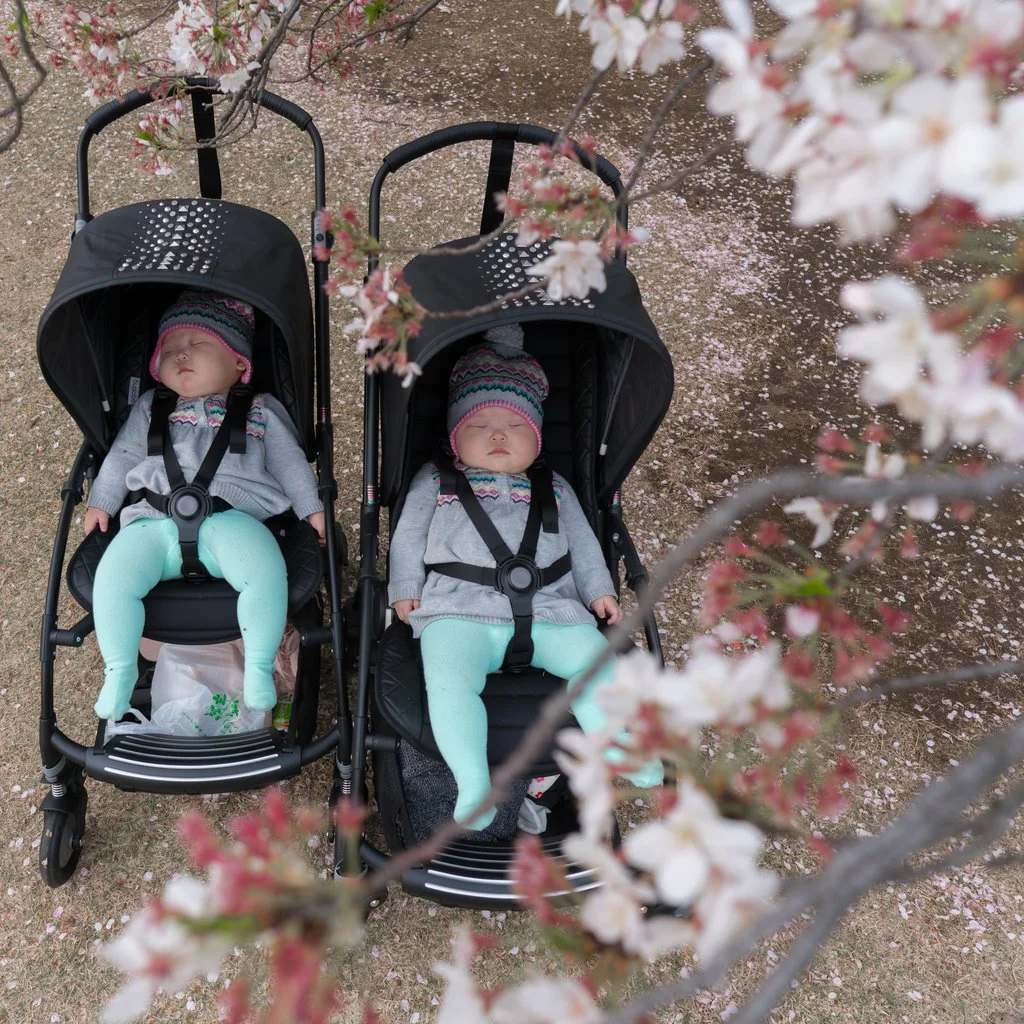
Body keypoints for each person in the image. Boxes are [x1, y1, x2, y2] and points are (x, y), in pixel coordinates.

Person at [388, 324, 662, 829]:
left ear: (537, 439)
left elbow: (582, 542)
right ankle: (473, 781)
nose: (497, 434)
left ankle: (620, 746)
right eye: (479, 424)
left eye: (515, 426)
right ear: (453, 438)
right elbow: (406, 537)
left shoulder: (553, 486)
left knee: (596, 664)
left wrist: (598, 589)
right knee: (448, 680)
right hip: (457, 610)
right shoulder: (436, 481)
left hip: (552, 611)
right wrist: (404, 587)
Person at [84, 289, 325, 722]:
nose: (181, 355)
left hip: (232, 518)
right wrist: (102, 500)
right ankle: (119, 671)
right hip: (153, 521)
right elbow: (122, 456)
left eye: (198, 345)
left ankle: (257, 665)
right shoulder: (150, 408)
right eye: (171, 348)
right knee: (113, 577)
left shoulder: (260, 410)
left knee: (264, 569)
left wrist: (312, 507)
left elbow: (290, 463)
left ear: (239, 363)